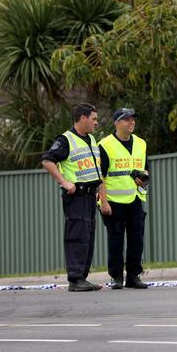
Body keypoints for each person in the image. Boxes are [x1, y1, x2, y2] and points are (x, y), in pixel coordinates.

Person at [41, 103, 103, 292]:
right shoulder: (66, 140)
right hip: (76, 196)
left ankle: (82, 277)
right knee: (77, 236)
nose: (96, 123)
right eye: (93, 119)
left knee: (88, 236)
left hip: (90, 196)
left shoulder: (91, 139)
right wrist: (63, 182)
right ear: (82, 118)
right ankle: (75, 279)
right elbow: (47, 160)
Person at [98, 108, 149, 289]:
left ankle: (133, 276)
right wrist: (103, 202)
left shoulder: (141, 143)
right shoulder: (105, 145)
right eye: (126, 119)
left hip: (135, 197)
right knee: (116, 239)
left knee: (137, 239)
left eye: (133, 119)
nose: (131, 122)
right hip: (113, 200)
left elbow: (145, 168)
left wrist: (143, 179)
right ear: (117, 123)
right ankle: (117, 277)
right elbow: (100, 176)